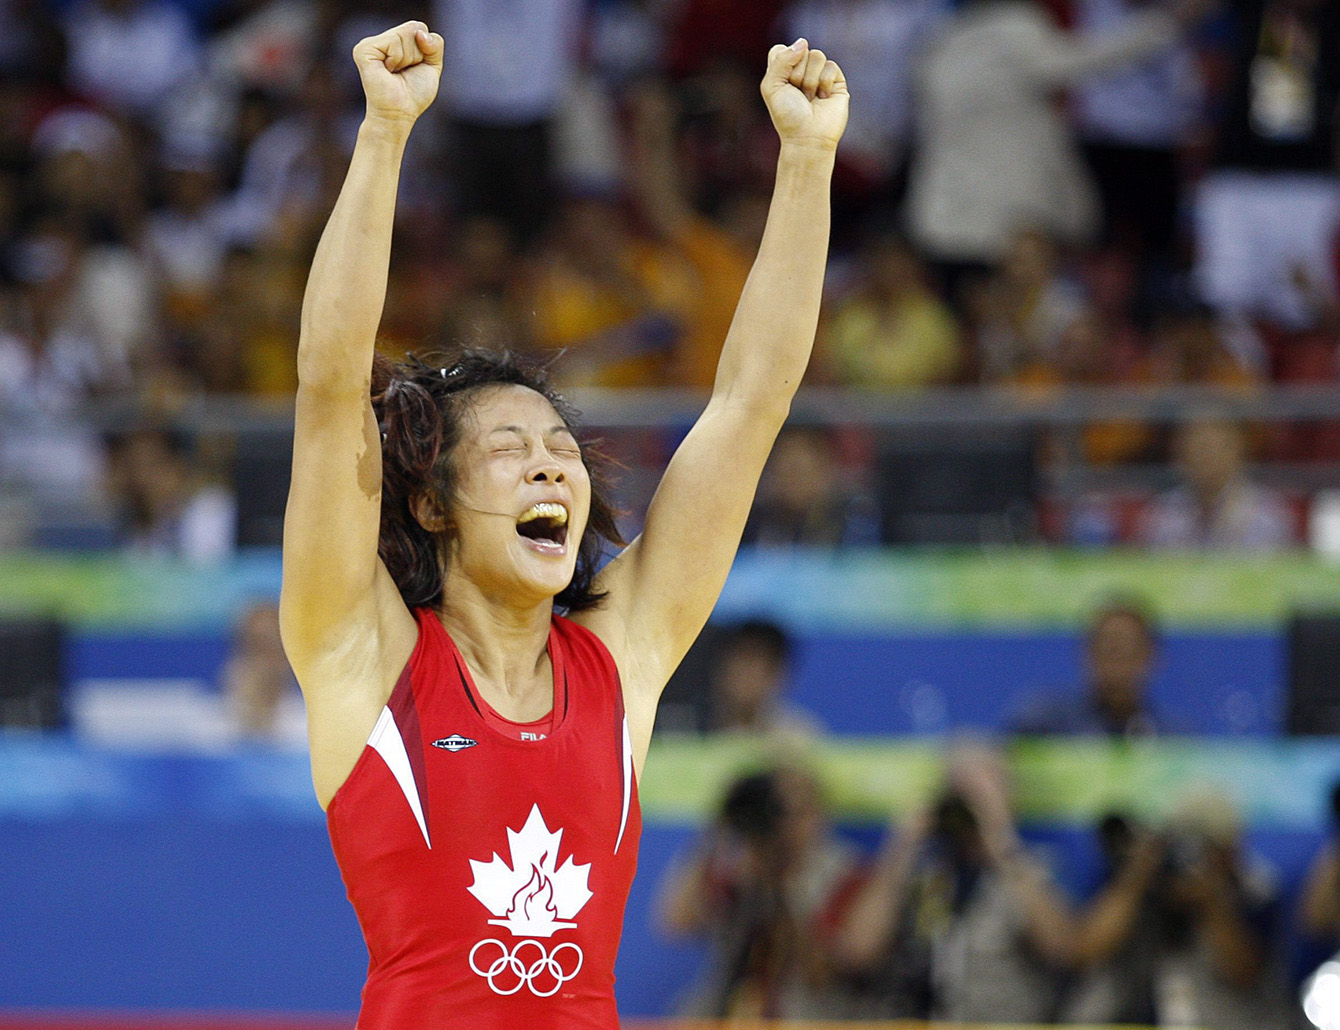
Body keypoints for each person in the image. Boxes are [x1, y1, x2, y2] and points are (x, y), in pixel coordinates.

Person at [278, 21, 848, 1029]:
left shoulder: (620, 658)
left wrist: (804, 162)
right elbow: (330, 388)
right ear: (429, 503)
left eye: (557, 448)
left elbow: (749, 401)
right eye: (506, 447)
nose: (548, 461)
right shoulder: (359, 651)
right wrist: (382, 134)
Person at [657, 765, 860, 1018]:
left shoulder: (842, 872)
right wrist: (721, 827)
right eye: (774, 809)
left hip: (808, 1012)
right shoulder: (738, 866)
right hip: (727, 1009)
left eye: (792, 811)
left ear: (818, 814)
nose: (782, 825)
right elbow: (675, 923)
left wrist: (782, 883)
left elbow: (822, 974)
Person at [1012, 598, 1172, 736]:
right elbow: (994, 756)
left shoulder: (1172, 735)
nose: (1117, 657)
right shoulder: (1044, 719)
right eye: (1109, 646)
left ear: (1151, 656)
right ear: (1087, 652)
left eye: (1128, 647)